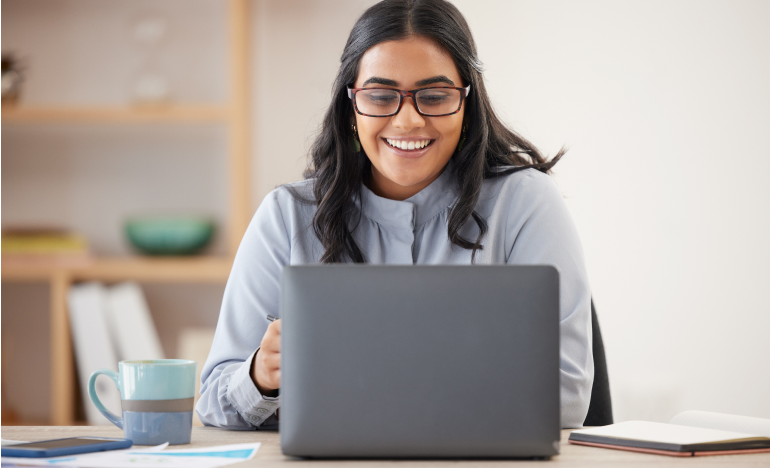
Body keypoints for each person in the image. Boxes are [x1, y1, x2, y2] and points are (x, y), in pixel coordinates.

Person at [197, 0, 593, 431]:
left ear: (467, 103)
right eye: (381, 96)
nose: (407, 121)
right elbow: (214, 401)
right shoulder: (286, 216)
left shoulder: (525, 203)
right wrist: (261, 376)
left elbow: (567, 395)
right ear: (351, 107)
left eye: (435, 96)